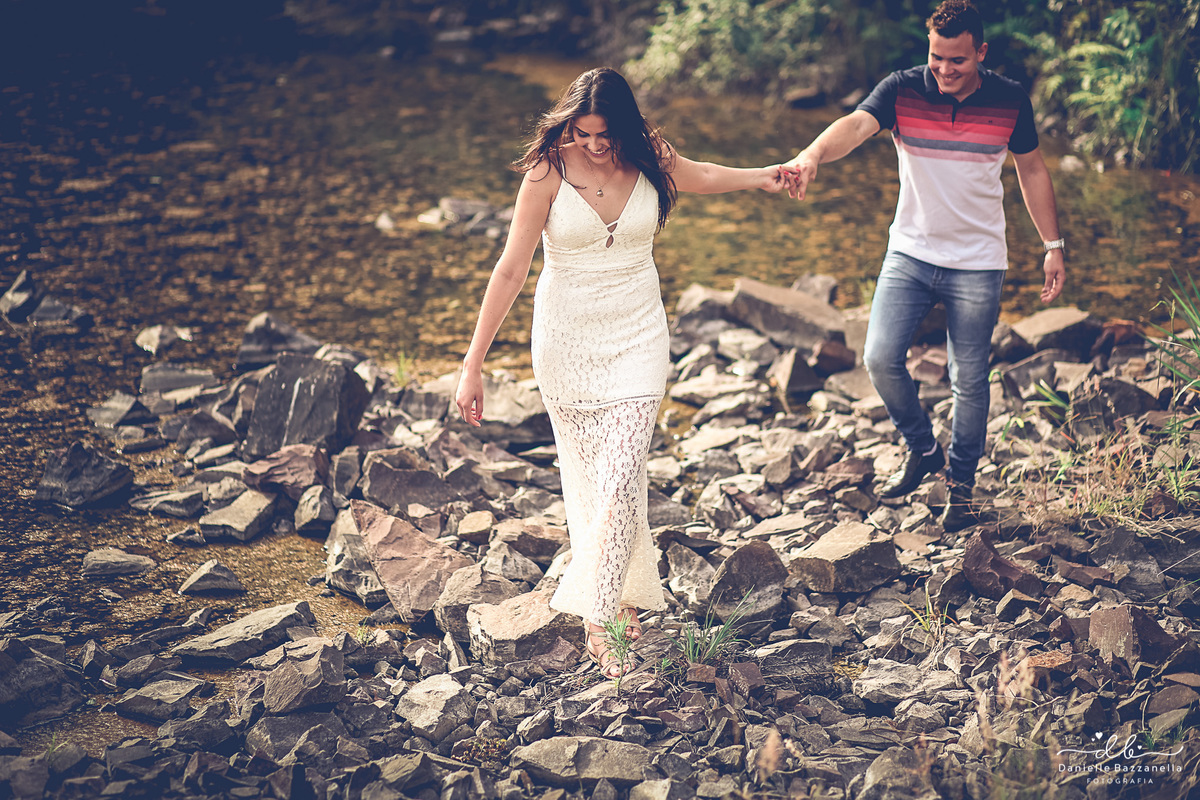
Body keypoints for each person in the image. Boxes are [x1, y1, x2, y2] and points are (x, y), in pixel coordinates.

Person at [455, 67, 786, 677]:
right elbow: (510, 269)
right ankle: (622, 602)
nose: (594, 146)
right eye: (582, 134)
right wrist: (472, 364)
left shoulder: (649, 155)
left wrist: (763, 176)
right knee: (594, 484)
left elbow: (703, 174)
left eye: (604, 134)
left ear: (625, 126)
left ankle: (599, 615)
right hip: (567, 343)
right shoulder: (547, 172)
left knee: (622, 471)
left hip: (638, 336)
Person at [782, 0, 1065, 533]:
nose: (944, 70)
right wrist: (812, 155)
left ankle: (962, 486)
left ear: (981, 52)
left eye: (957, 60)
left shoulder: (1009, 100)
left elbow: (1031, 170)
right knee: (879, 358)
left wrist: (1053, 244)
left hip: (978, 262)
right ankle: (923, 448)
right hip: (909, 253)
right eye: (937, 57)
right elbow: (855, 125)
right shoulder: (903, 89)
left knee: (969, 378)